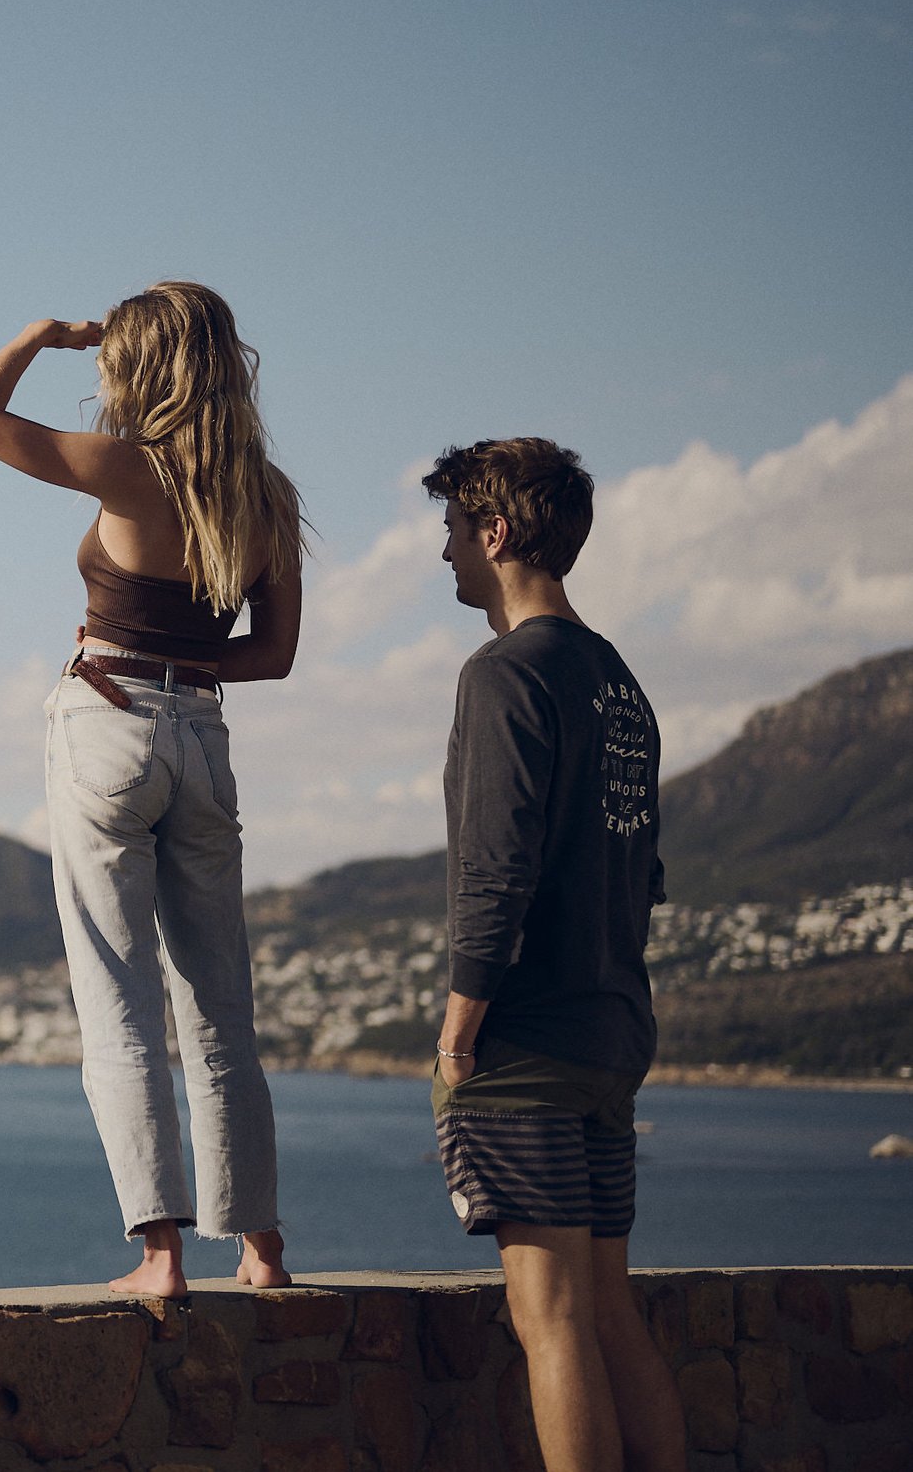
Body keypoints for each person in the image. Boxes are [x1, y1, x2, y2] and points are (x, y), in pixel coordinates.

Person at [0, 281, 305, 1297]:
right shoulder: (264, 494)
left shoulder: (130, 468)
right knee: (219, 1009)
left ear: (141, 367)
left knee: (119, 999)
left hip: (105, 724)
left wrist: (38, 334)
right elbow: (271, 655)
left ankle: (159, 1256)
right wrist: (184, 666)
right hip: (201, 736)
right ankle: (262, 1249)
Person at [424, 438, 685, 1472]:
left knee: (553, 1321)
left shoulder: (503, 672)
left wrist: (458, 1025)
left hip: (527, 1040)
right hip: (612, 1029)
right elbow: (642, 871)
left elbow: (497, 864)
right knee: (608, 1311)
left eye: (451, 530)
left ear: (494, 533)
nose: (443, 554)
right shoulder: (618, 681)